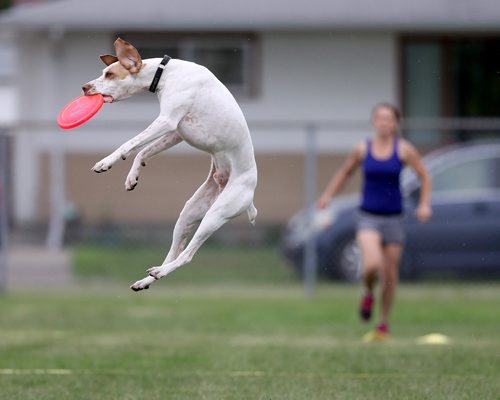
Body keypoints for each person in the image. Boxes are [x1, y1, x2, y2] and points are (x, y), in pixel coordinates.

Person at [317, 102, 432, 341]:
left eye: (388, 118)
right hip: (368, 216)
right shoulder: (362, 149)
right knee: (371, 265)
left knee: (390, 275)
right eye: (380, 118)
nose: (384, 123)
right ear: (373, 122)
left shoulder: (403, 150)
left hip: (394, 218)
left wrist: (424, 204)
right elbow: (345, 172)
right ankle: (368, 291)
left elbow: (424, 176)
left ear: (395, 123)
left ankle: (383, 323)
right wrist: (327, 196)